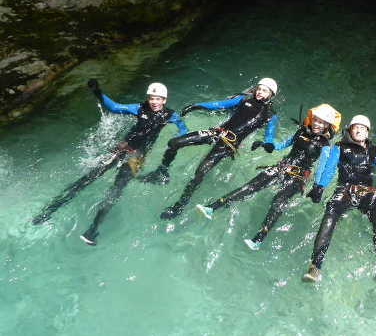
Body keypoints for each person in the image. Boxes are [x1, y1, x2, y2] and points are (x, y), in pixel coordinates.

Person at [32, 79, 188, 245]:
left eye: (158, 99)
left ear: (164, 100)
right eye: (151, 98)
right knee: (88, 178)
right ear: (148, 98)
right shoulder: (139, 108)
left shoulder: (170, 115)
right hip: (121, 149)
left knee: (116, 189)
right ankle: (50, 210)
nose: (154, 102)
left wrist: (177, 139)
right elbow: (114, 107)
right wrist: (97, 91)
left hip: (137, 157)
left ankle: (93, 229)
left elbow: (183, 129)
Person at [195, 104, 341, 250]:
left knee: (278, 200)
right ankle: (212, 208)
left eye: (321, 122)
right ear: (311, 118)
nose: (317, 124)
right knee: (250, 187)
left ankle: (258, 239)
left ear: (327, 125)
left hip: (298, 176)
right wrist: (268, 145)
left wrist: (318, 187)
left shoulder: (325, 145)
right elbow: (285, 144)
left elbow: (322, 167)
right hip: (281, 167)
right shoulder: (301, 131)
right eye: (315, 120)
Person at [142, 78, 279, 219]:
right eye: (259, 89)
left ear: (271, 94)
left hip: (228, 145)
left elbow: (270, 135)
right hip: (216, 132)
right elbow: (219, 104)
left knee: (200, 172)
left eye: (264, 91)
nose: (260, 92)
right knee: (174, 143)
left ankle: (179, 206)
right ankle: (161, 172)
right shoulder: (243, 99)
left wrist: (267, 144)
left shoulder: (270, 115)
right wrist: (197, 106)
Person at [302, 115, 376, 286]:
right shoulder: (340, 147)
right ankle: (315, 266)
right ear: (349, 130)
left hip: (368, 192)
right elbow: (330, 168)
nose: (359, 130)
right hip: (345, 190)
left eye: (363, 128)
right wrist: (319, 186)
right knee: (329, 218)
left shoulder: (374, 150)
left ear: (368, 132)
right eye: (356, 127)